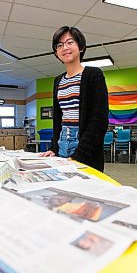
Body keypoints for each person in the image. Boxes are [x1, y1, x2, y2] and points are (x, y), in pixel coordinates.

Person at [40, 26, 109, 172]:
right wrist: (54, 147)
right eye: (59, 45)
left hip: (84, 144)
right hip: (62, 141)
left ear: (81, 47)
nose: (64, 47)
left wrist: (80, 155)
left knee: (85, 189)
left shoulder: (94, 75)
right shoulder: (58, 80)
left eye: (70, 42)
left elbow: (99, 119)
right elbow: (58, 119)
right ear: (56, 52)